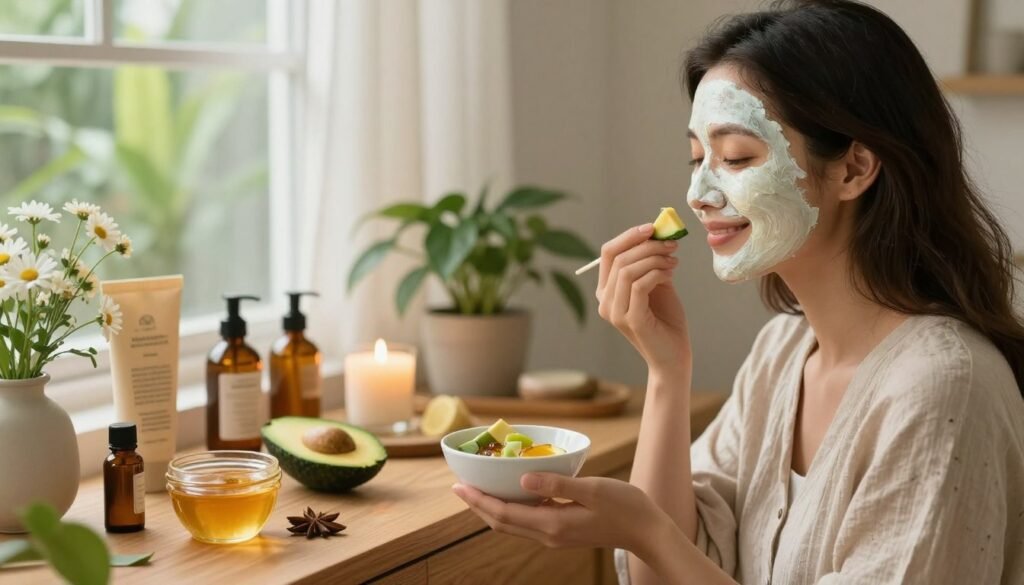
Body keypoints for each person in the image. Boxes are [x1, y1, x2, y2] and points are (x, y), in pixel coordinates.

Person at [451, 1, 1024, 583]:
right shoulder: (780, 355)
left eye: (735, 157)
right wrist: (667, 371)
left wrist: (646, 532)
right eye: (697, 158)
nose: (698, 193)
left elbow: (665, 551)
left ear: (853, 169)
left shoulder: (943, 387)